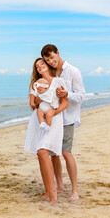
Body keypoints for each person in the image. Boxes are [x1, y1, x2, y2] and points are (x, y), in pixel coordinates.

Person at [40, 44, 85, 200]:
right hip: (54, 119)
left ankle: (75, 190)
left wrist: (67, 94)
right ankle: (59, 186)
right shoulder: (50, 72)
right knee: (54, 154)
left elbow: (81, 96)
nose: (51, 62)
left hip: (68, 118)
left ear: (58, 53)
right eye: (47, 60)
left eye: (52, 57)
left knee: (66, 153)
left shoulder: (73, 71)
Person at [25, 58, 68, 203]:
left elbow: (65, 103)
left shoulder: (59, 81)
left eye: (42, 64)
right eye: (37, 66)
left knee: (44, 151)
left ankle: (54, 194)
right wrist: (39, 95)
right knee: (40, 154)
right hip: (39, 120)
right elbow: (33, 105)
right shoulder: (36, 84)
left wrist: (53, 113)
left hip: (54, 117)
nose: (40, 67)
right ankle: (49, 190)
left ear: (48, 65)